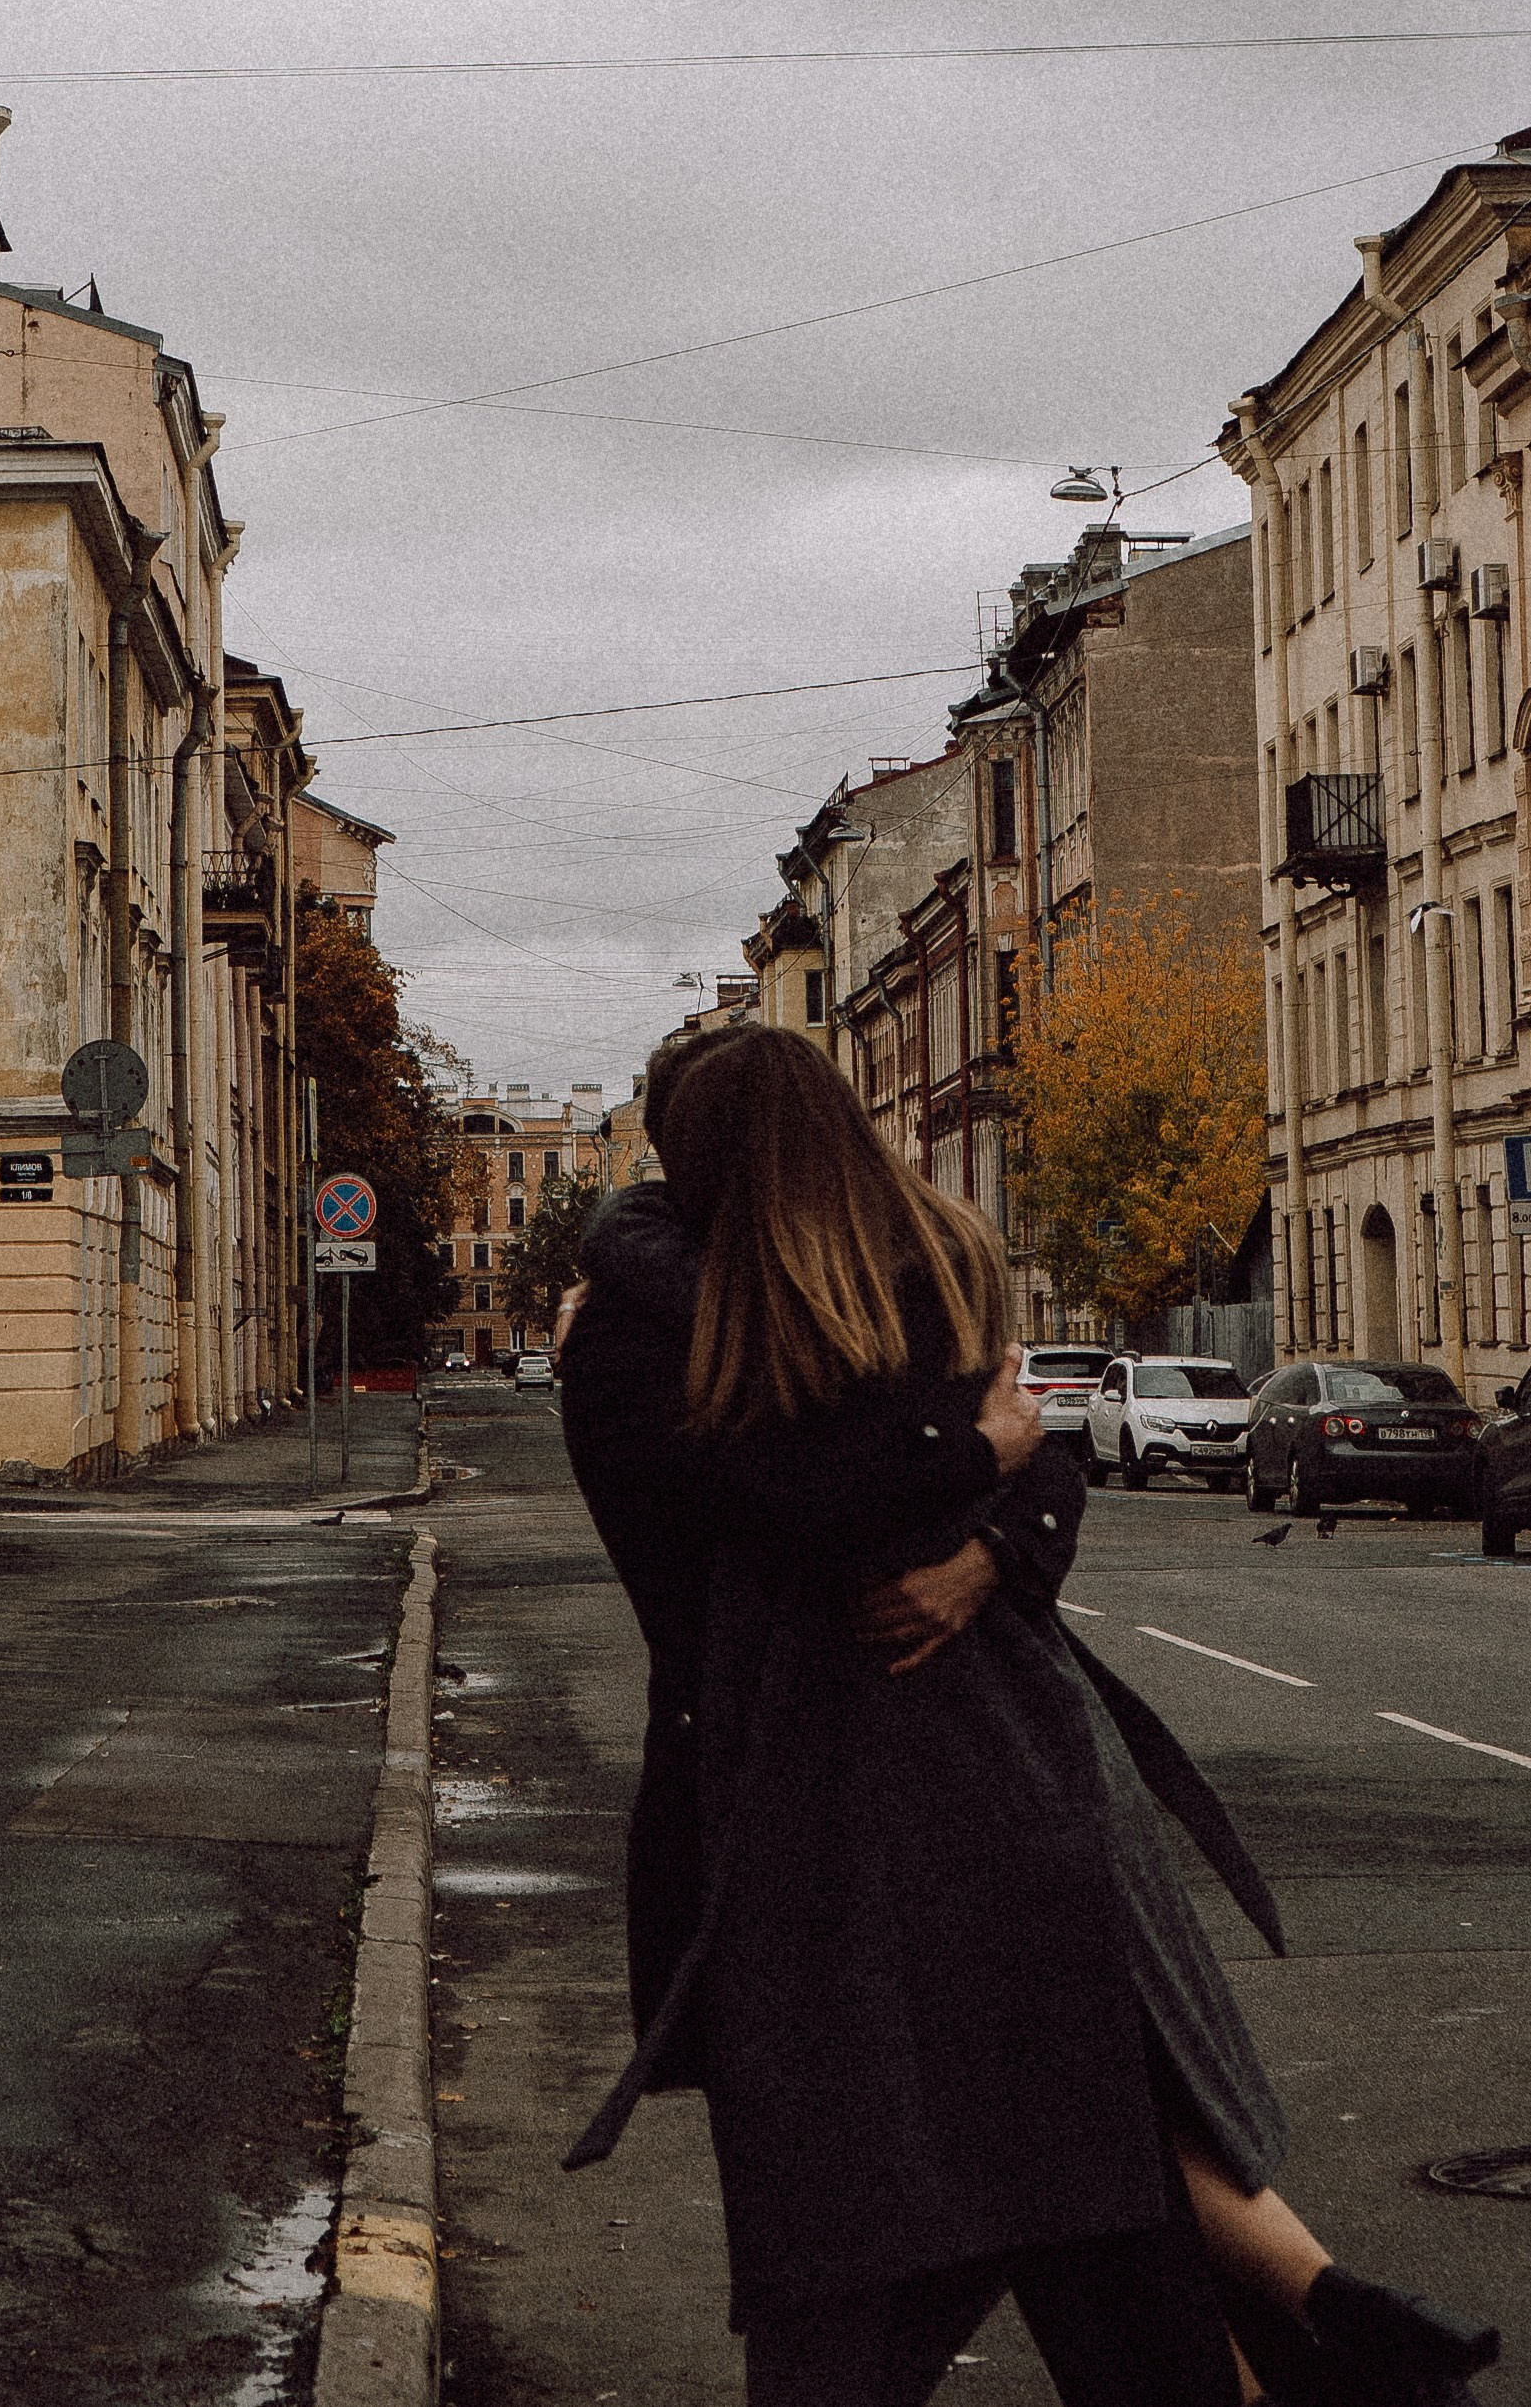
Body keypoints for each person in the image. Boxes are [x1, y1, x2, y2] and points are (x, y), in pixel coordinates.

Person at [555, 1022, 1498, 2407]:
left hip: (910, 1831)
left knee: (913, 2244)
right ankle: (1326, 2312)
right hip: (889, 1824)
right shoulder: (699, 1326)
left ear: (687, 1152)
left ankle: (1321, 2316)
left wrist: (988, 1540)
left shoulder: (870, 1290)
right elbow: (790, 1498)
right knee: (1061, 2193)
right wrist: (972, 1455)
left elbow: (1025, 1474)